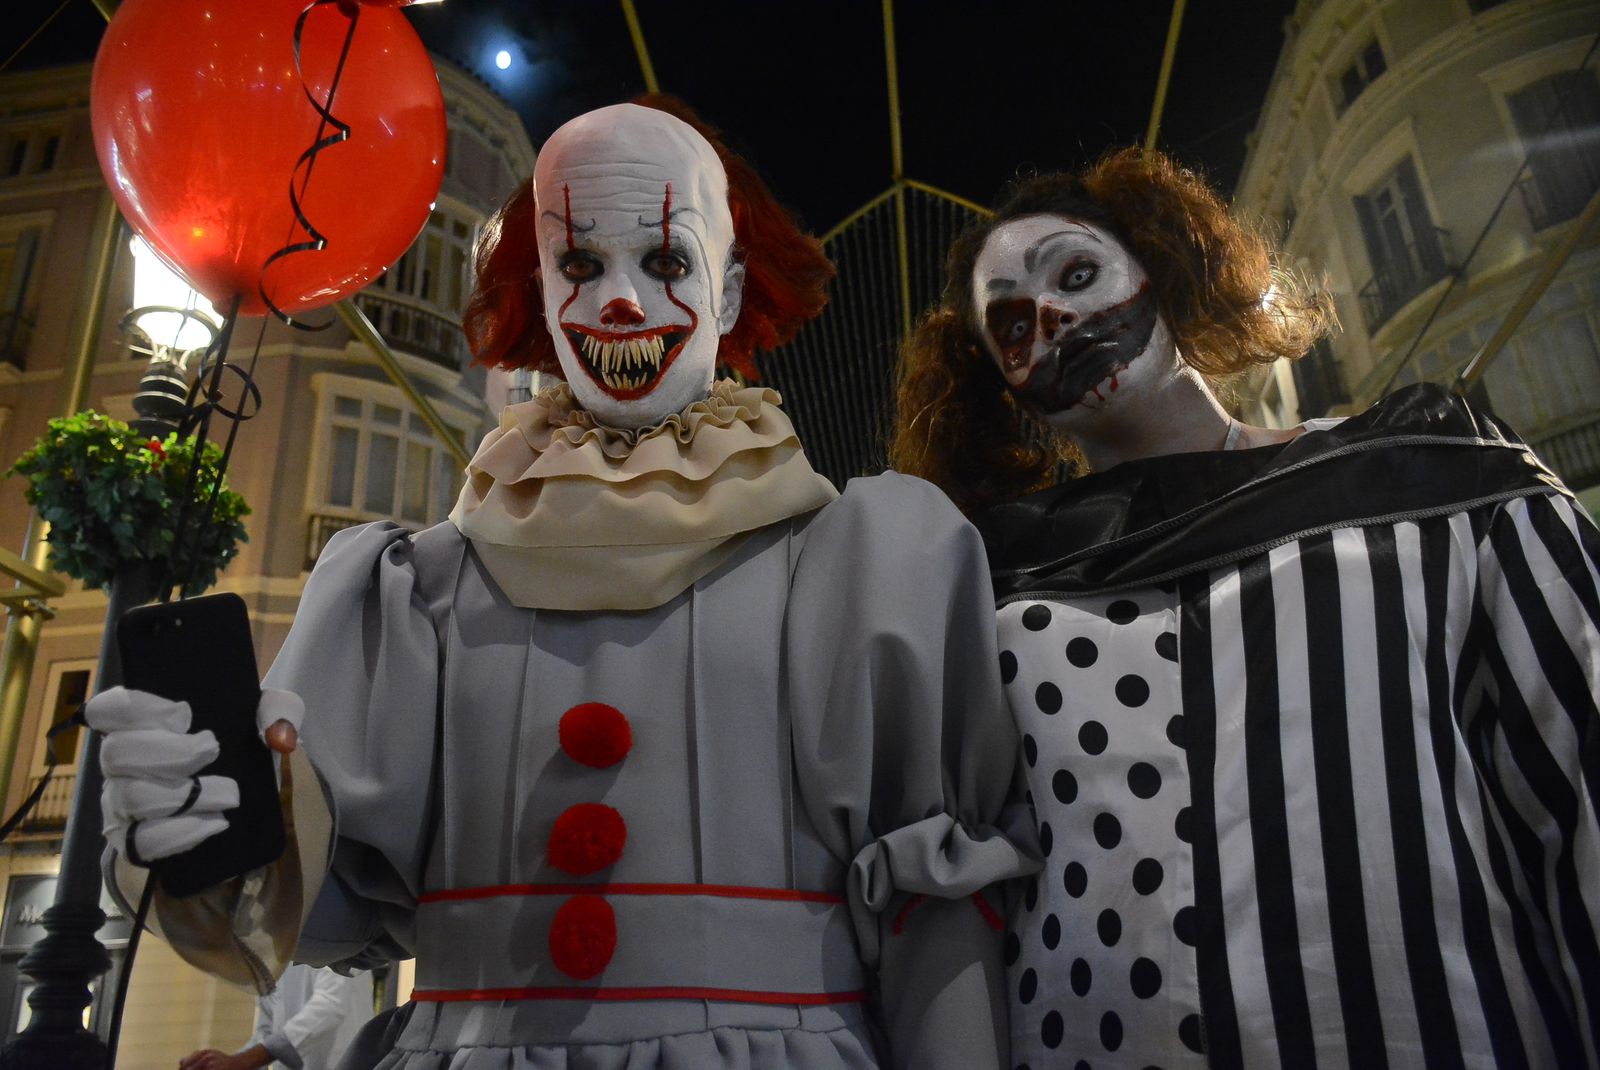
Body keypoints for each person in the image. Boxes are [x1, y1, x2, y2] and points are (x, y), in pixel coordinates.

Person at [89, 97, 1036, 1070]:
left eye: (665, 261)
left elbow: (940, 915)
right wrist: (196, 822)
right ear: (542, 291)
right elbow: (312, 918)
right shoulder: (417, 590)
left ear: (727, 290)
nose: (619, 302)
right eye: (581, 264)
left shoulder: (860, 565)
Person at [892, 147, 1600, 1069]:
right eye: (1014, 326)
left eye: (1077, 274)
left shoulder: (1430, 476)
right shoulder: (990, 584)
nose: (1055, 318)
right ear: (1006, 389)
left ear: (1164, 267)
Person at [178, 964, 374, 1070]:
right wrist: (224, 1064)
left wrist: (243, 1061)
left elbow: (330, 1006)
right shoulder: (273, 957)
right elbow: (266, 1032)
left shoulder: (331, 929)